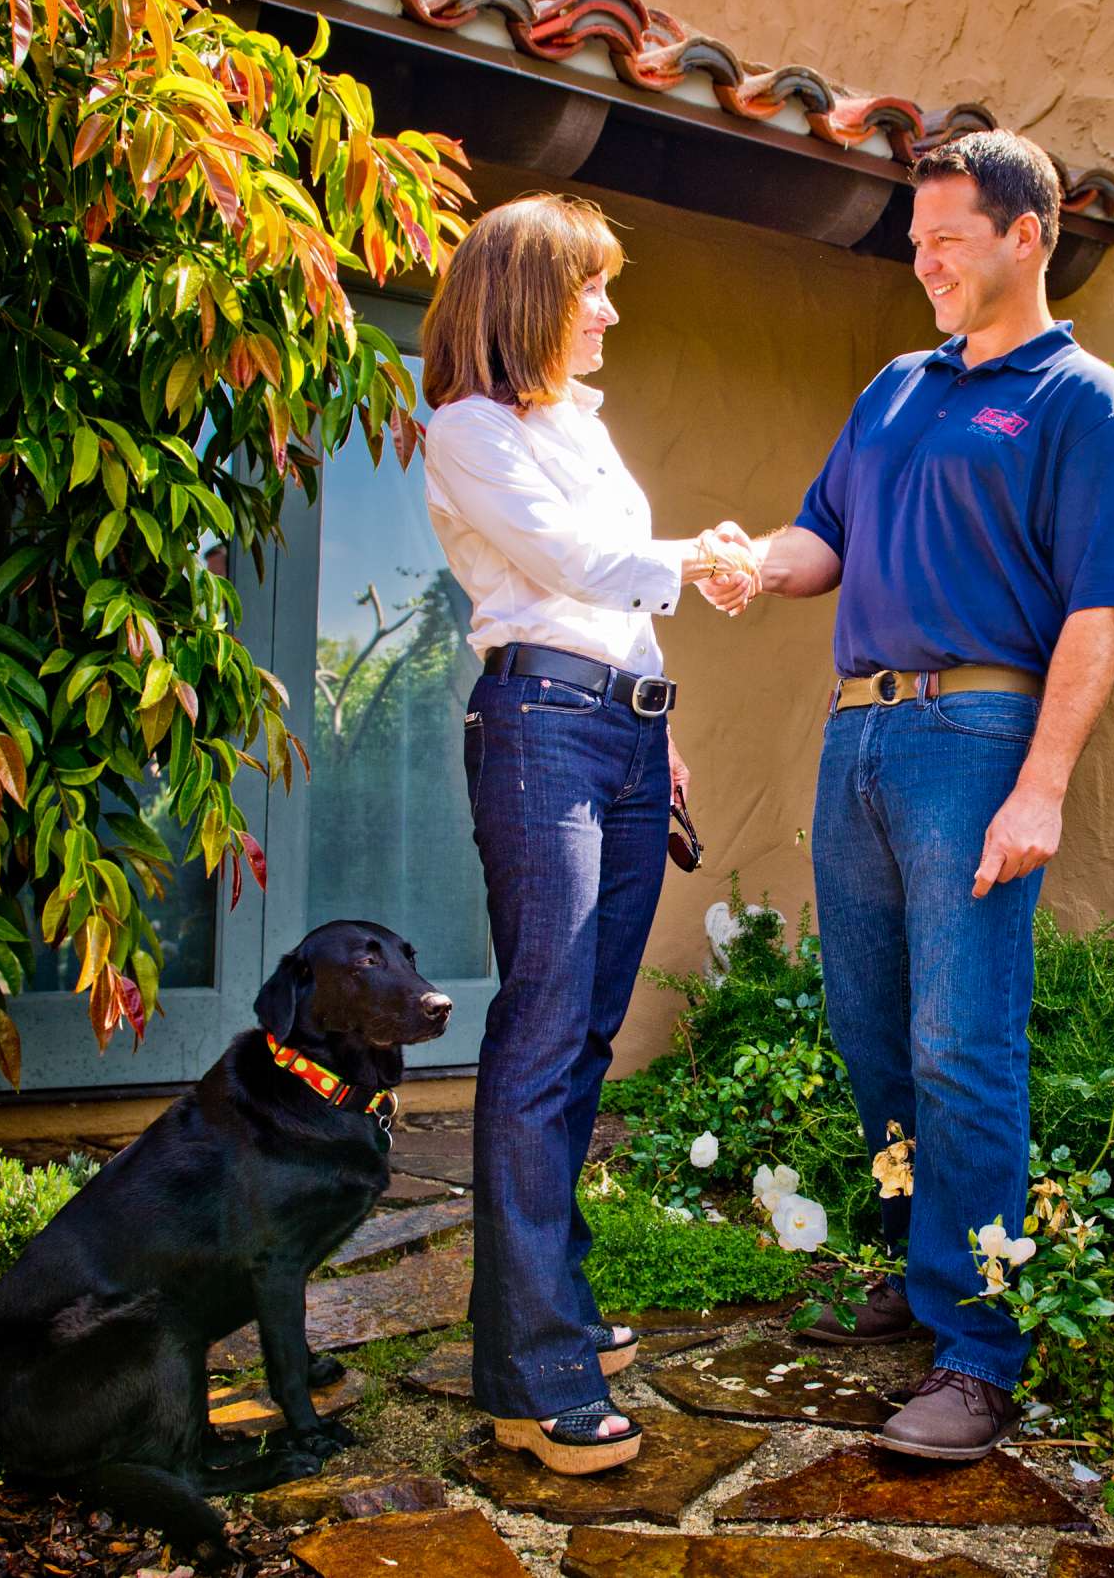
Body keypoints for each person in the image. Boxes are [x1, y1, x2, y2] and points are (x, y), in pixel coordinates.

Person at [703, 130, 1114, 1461]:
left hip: (978, 736)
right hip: (857, 740)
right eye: (915, 243)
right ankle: (922, 1282)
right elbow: (823, 540)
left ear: (1029, 235)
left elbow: (1101, 611)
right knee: (868, 1030)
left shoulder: (1085, 402)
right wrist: (755, 562)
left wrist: (1044, 785)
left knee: (964, 1043)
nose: (924, 263)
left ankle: (981, 1348)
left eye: (946, 240)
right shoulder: (898, 389)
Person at [420, 194, 756, 1476]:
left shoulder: (582, 424)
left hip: (615, 730)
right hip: (540, 731)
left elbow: (617, 592)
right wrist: (710, 555)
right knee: (546, 1024)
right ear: (530, 297)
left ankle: (545, 1301)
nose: (611, 308)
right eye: (593, 288)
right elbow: (571, 561)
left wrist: (656, 726)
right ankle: (529, 1368)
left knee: (587, 1034)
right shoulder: (467, 429)